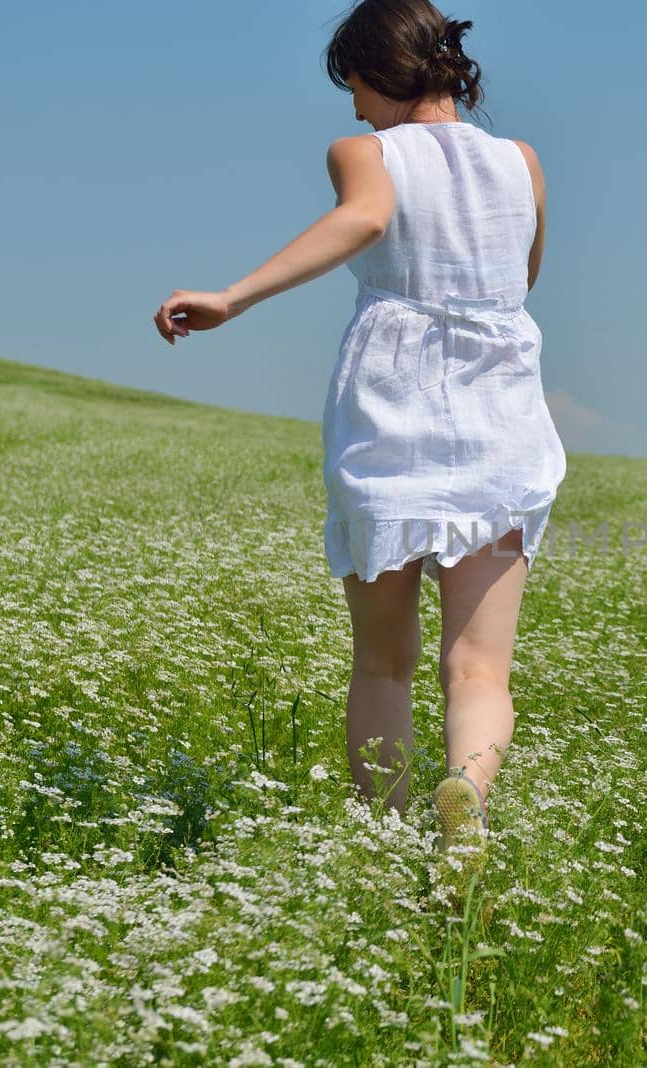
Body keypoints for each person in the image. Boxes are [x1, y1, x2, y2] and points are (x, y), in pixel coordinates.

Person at [150, 0, 567, 857]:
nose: (351, 109)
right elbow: (520, 280)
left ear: (378, 74)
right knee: (479, 667)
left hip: (394, 415)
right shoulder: (521, 162)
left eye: (354, 87)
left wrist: (233, 294)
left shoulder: (365, 152)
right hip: (501, 421)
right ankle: (469, 802)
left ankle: (383, 845)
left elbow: (367, 217)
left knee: (383, 662)